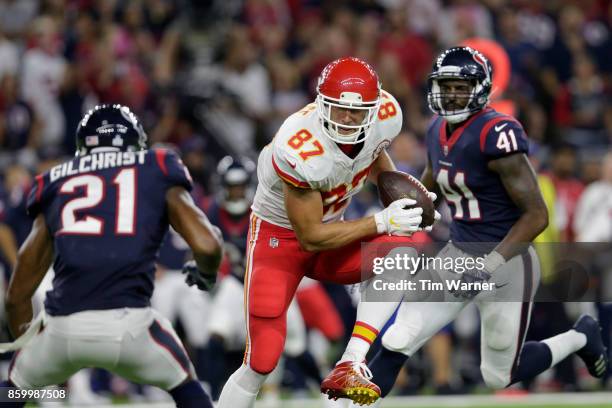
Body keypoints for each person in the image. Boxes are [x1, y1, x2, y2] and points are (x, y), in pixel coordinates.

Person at [322, 47, 608, 406]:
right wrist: (403, 219)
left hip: (508, 261)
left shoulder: (497, 133)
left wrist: (490, 265)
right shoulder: (436, 130)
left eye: (461, 86)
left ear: (482, 88)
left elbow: (537, 215)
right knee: (399, 337)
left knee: (498, 375)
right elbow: (431, 191)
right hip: (459, 253)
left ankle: (581, 336)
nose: (452, 94)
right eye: (446, 85)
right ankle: (349, 406)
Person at [217, 57, 435, 408]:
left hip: (332, 232)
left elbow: (374, 154)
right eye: (338, 110)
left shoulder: (385, 116)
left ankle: (351, 360)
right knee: (261, 361)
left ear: (374, 108)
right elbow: (310, 237)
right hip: (281, 241)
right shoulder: (299, 146)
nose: (348, 119)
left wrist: (404, 199)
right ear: (320, 103)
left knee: (406, 248)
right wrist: (382, 221)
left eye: (358, 112)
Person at [0, 104, 223, 408]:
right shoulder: (156, 165)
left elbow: (17, 294)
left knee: (12, 389)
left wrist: (28, 347)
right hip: (131, 328)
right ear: (136, 143)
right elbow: (208, 245)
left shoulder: (55, 178)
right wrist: (207, 273)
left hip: (62, 328)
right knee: (186, 384)